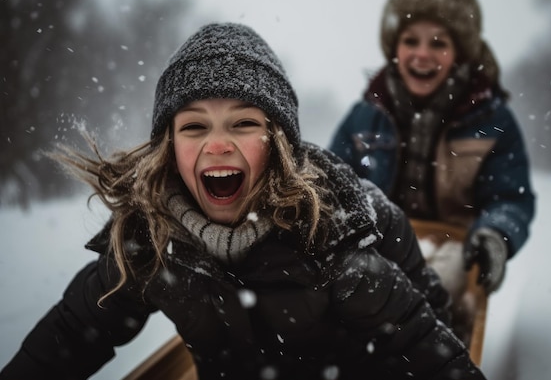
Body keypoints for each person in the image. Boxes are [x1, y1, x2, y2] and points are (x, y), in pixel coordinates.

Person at [0, 23, 487, 380]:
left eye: (243, 123)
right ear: (168, 149)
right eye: (194, 126)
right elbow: (71, 333)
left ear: (278, 145)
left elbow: (425, 337)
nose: (217, 144)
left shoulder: (335, 245)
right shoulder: (151, 242)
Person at [329, 0, 535, 342]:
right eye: (411, 41)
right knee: (351, 291)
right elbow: (329, 184)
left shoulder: (492, 120)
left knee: (436, 290)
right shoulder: (365, 114)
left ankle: (429, 347)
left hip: (455, 244)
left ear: (460, 53)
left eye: (438, 43)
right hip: (376, 240)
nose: (422, 54)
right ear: (395, 48)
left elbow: (510, 196)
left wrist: (496, 234)